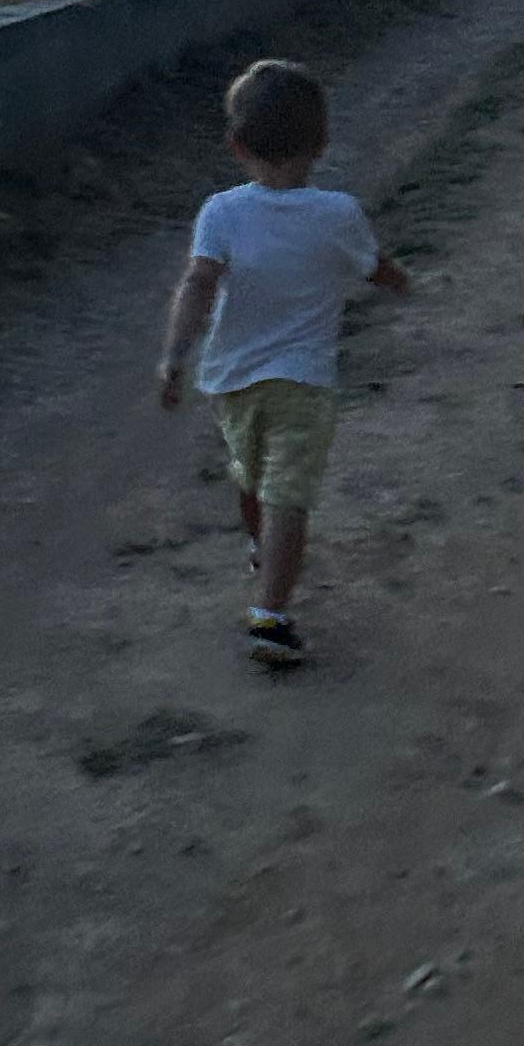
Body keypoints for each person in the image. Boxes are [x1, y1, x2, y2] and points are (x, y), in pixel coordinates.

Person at [153, 55, 410, 666]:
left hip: (231, 381)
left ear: (235, 144)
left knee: (254, 479)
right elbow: (375, 267)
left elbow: (197, 285)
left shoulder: (221, 212)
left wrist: (173, 357)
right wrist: (405, 283)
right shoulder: (338, 213)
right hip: (304, 384)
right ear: (321, 143)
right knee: (284, 495)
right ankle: (269, 614)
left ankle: (266, 586)